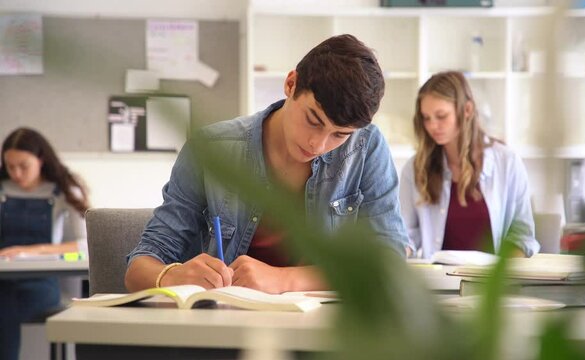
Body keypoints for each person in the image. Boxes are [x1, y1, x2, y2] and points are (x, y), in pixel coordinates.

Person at [125, 34, 411, 294]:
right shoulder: (210, 149)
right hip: (224, 329)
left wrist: (283, 279)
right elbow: (138, 268)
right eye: (313, 120)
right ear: (291, 84)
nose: (318, 144)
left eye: (339, 135)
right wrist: (173, 276)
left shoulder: (365, 147)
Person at [399, 71, 539, 260]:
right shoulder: (415, 168)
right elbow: (406, 235)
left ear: (467, 110)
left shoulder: (507, 162)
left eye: (441, 116)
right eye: (426, 118)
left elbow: (522, 237)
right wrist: (396, 252)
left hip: (493, 284)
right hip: (439, 284)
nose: (432, 126)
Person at [0, 127, 89, 360]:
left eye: (23, 166)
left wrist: (30, 250)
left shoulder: (63, 193)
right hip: (4, 280)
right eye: (10, 166)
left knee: (5, 305)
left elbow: (83, 245)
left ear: (40, 160)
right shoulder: (2, 190)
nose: (16, 173)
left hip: (40, 284)